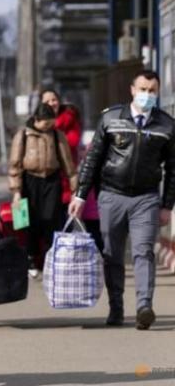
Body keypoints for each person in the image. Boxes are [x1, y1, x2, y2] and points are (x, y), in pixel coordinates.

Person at [69, 70, 175, 330]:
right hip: (111, 195)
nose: (147, 95)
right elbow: (92, 159)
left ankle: (144, 307)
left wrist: (166, 205)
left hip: (146, 198)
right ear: (132, 90)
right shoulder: (111, 118)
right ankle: (116, 308)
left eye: (152, 90)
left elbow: (173, 170)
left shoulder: (167, 125)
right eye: (142, 89)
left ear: (157, 92)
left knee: (143, 252)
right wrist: (81, 194)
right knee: (113, 255)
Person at [8, 103, 78, 278]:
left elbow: (68, 163)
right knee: (29, 222)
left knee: (51, 220)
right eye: (44, 124)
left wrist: (75, 187)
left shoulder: (56, 135)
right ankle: (31, 258)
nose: (47, 127)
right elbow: (15, 165)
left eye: (50, 123)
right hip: (29, 181)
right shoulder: (23, 135)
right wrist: (16, 191)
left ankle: (49, 258)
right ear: (36, 120)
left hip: (51, 180)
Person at [40, 88, 82, 210]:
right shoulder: (36, 124)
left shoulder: (70, 119)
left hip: (65, 180)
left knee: (63, 221)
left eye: (54, 100)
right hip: (43, 182)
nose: (52, 103)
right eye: (47, 101)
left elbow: (71, 143)